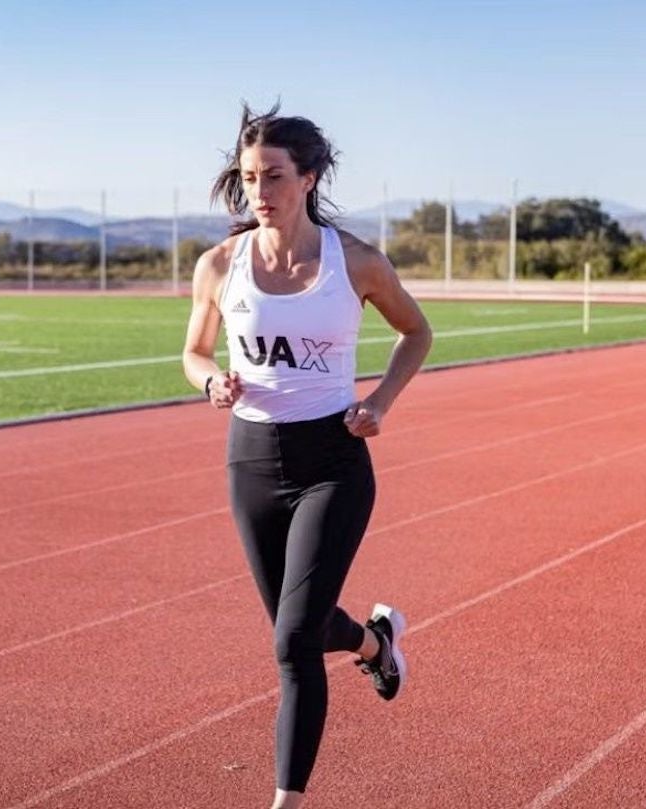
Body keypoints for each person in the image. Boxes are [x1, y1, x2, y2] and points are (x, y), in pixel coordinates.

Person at [181, 103, 433, 809]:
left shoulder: (354, 262)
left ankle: (286, 801)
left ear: (308, 177)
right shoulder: (220, 265)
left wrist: (379, 402)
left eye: (274, 177)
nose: (258, 191)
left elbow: (417, 333)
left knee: (292, 643)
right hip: (252, 459)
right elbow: (193, 350)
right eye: (248, 177)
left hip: (333, 459)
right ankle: (377, 646)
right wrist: (210, 379)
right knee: (303, 624)